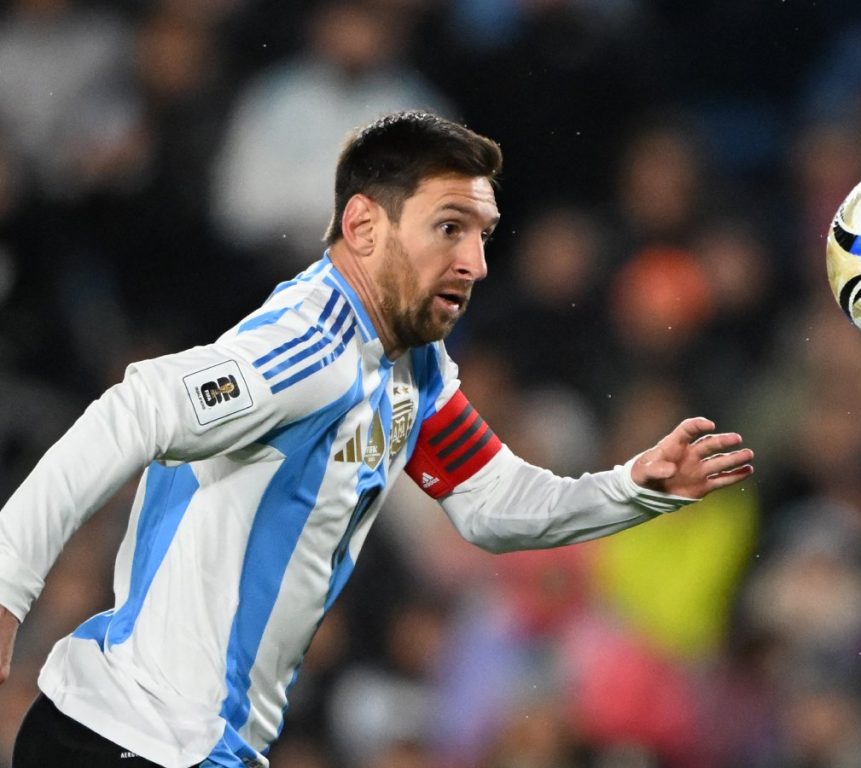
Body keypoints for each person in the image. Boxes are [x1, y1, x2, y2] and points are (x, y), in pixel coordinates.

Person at [0, 110, 754, 768]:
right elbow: (132, 411)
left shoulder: (411, 366)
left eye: (483, 235)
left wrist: (630, 489)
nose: (476, 263)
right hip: (135, 744)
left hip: (182, 747)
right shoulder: (309, 345)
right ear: (363, 225)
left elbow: (490, 501)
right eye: (449, 229)